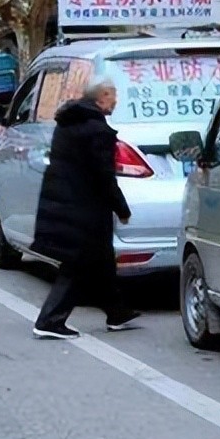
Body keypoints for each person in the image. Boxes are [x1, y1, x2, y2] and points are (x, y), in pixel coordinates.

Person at [30, 79, 140, 339]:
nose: (116, 101)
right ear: (102, 97)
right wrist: (121, 208)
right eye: (114, 96)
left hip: (67, 201)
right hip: (85, 208)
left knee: (101, 260)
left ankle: (117, 312)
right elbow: (104, 176)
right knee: (76, 265)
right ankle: (49, 320)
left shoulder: (69, 122)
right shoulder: (96, 131)